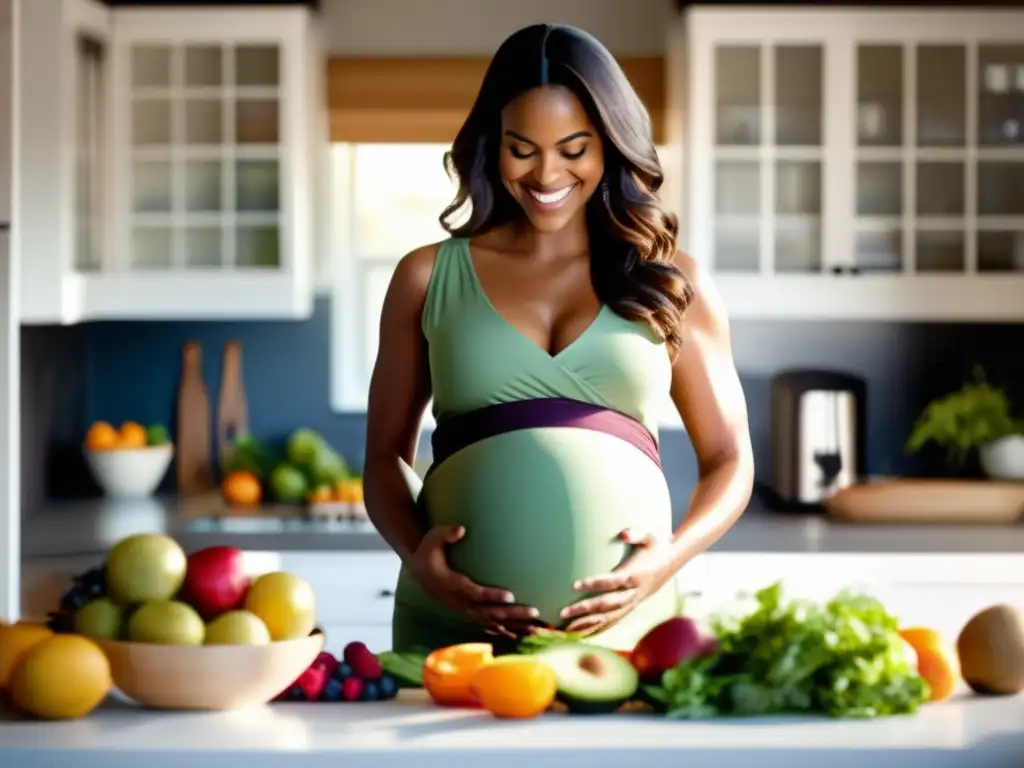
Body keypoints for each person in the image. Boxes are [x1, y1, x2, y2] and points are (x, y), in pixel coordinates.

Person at [363, 23, 754, 654]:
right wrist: (420, 559)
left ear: (610, 146)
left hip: (631, 632)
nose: (547, 172)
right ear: (492, 147)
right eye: (523, 148)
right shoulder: (426, 276)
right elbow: (384, 460)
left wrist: (668, 561)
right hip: (455, 630)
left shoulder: (672, 280)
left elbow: (731, 460)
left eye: (574, 149)